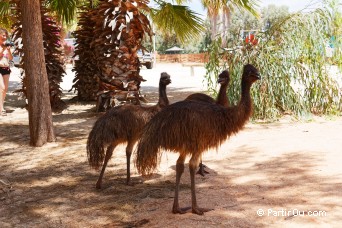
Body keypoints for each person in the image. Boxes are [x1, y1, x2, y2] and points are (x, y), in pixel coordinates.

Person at [0, 28, 13, 116]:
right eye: (3, 35)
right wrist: (3, 49)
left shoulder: (7, 45)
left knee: (5, 89)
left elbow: (11, 58)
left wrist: (8, 50)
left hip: (6, 68)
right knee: (2, 87)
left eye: (6, 35)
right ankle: (1, 109)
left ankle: (1, 105)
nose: (5, 37)